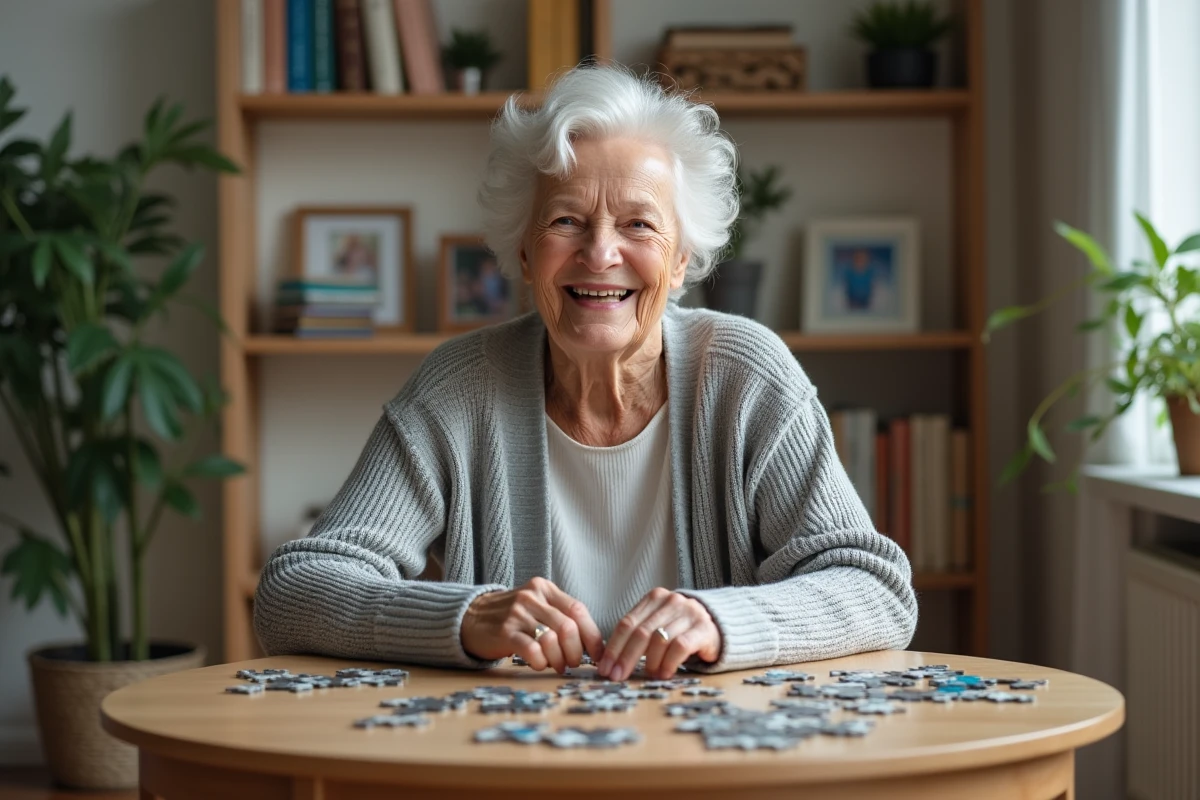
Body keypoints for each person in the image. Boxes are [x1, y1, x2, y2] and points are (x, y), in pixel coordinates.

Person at [254, 65, 916, 681]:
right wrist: (464, 617)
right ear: (523, 251)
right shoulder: (460, 388)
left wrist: (721, 620)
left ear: (682, 259)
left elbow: (876, 590)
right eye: (567, 221)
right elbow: (292, 593)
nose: (601, 253)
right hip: (518, 764)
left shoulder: (747, 377)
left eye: (638, 224)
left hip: (719, 764)